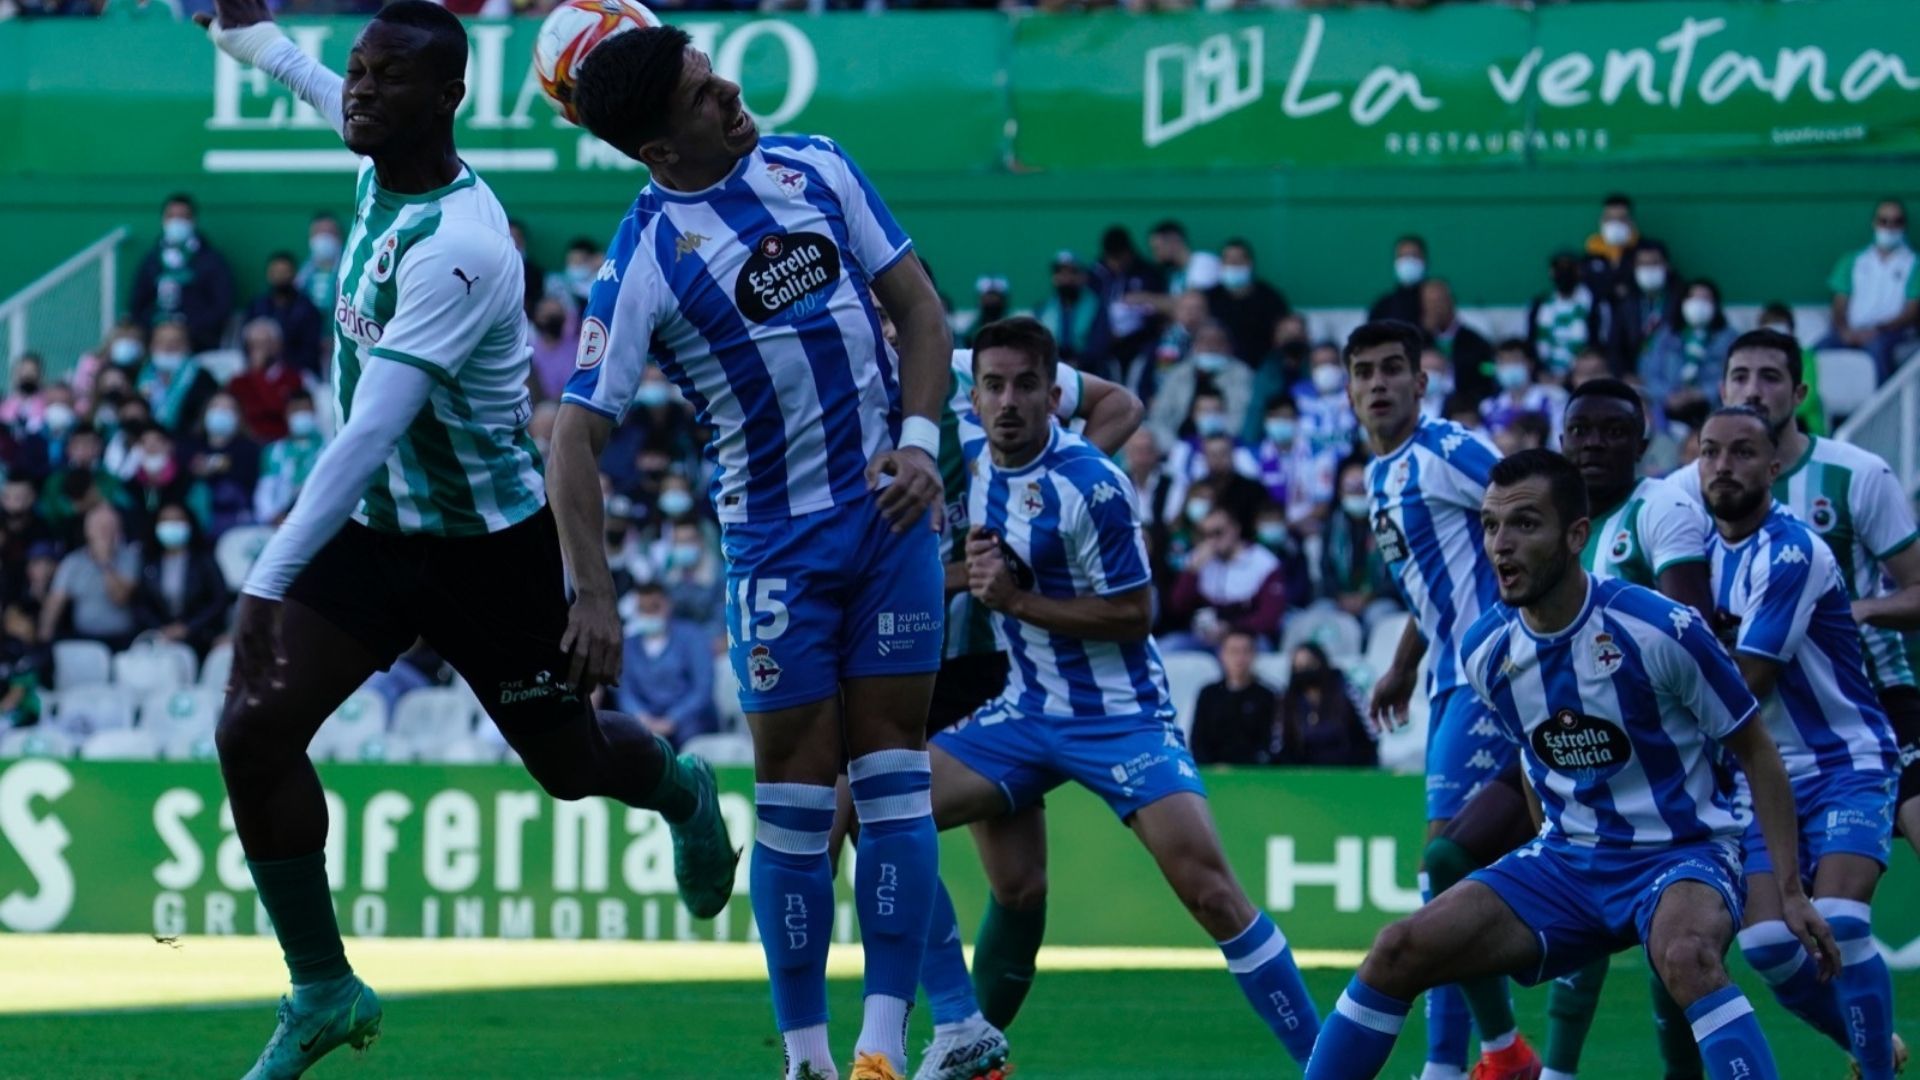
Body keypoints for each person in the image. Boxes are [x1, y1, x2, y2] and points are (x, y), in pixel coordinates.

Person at [192, 6, 737, 1077]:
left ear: (444, 101)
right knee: (252, 729)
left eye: (385, 80)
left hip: (486, 549)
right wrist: (245, 33)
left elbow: (372, 429)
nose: (358, 91)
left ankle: (682, 789)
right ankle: (322, 990)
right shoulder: (375, 161)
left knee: (574, 768)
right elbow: (305, 76)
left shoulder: (463, 245)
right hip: (376, 535)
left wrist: (263, 581)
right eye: (358, 72)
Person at [563, 28, 952, 1080]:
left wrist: (919, 445)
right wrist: (592, 596)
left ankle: (879, 1046)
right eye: (700, 96)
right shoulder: (644, 257)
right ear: (656, 147)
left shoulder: (818, 166)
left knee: (894, 774)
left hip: (892, 520)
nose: (730, 93)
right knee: (793, 789)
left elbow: (921, 310)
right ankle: (806, 1056)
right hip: (777, 549)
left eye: (715, 72)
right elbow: (572, 437)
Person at [1305, 448, 1826, 1080]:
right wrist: (1547, 848)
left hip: (1682, 853)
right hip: (1569, 863)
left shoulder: (1659, 628)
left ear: (1576, 534)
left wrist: (1792, 892)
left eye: (1526, 524)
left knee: (1687, 956)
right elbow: (1533, 756)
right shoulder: (1487, 652)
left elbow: (1757, 752)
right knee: (1396, 949)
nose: (1503, 544)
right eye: (1492, 525)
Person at [915, 321, 1322, 1077]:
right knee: (873, 811)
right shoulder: (968, 453)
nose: (1007, 402)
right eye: (993, 387)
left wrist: (1011, 598)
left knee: (1213, 896)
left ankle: (1329, 1065)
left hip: (1121, 718)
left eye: (1026, 386)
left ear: (1053, 394)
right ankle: (960, 1033)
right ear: (972, 398)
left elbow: (1135, 615)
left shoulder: (1095, 484)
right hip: (1024, 710)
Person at [1422, 378, 1717, 1080]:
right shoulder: (1544, 518)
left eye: (1612, 432)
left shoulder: (1663, 509)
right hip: (1555, 741)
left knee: (1669, 937)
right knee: (1445, 862)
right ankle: (1505, 1055)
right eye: (1580, 431)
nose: (1593, 444)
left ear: (1643, 444)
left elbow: (1692, 630)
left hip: (1649, 756)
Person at [1699, 405, 1902, 1079]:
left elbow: (1748, 680)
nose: (1724, 465)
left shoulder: (1792, 551)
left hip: (1848, 758)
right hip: (1768, 772)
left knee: (1840, 919)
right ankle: (1870, 1042)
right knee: (1763, 944)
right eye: (1710, 452)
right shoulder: (1697, 555)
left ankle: (1876, 1072)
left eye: (1742, 453)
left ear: (1774, 467)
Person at [1671, 330, 1920, 867]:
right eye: (1740, 376)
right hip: (1761, 711)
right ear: (1722, 386)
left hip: (1872, 697)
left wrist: (1859, 611)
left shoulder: (1857, 473)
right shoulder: (1689, 488)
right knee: (1776, 930)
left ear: (1800, 393)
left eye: (1770, 377)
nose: (1753, 390)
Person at [1346, 318, 1509, 1080]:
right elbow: (1432, 584)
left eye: (1391, 370)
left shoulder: (1449, 450)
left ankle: (1467, 1061)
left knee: (1446, 858)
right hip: (1446, 677)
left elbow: (1531, 507)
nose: (1377, 384)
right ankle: (1477, 1057)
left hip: (1495, 677)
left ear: (1421, 380)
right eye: (1363, 373)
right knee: (1455, 872)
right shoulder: (1381, 474)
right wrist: (1404, 664)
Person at [1163, 507, 1286, 650]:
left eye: (1218, 533)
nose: (1212, 541)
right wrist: (1191, 571)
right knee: (1167, 648)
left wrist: (1230, 628)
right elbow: (1178, 605)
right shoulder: (1200, 559)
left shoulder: (1263, 562)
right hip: (1206, 638)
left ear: (1235, 529)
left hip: (1247, 637)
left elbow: (1269, 617)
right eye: (1206, 535)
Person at [1821, 198, 1919, 376]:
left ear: (1904, 225)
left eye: (1896, 222)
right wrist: (1844, 331)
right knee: (1813, 353)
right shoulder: (1852, 260)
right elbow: (1839, 304)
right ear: (1874, 223)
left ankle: (1883, 404)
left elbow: (1912, 311)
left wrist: (1877, 331)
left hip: (1891, 334)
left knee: (1878, 349)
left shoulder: (1914, 263)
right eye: (1884, 221)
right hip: (1851, 330)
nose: (1889, 227)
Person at [130, 193, 236, 354]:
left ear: (193, 221)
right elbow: (137, 303)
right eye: (171, 216)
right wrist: (155, 323)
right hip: (154, 332)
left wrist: (188, 326)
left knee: (173, 338)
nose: (176, 222)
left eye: (183, 217)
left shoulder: (211, 260)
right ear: (163, 220)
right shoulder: (152, 260)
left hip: (197, 335)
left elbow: (222, 305)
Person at [614, 582, 715, 749]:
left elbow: (702, 689)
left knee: (691, 737)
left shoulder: (693, 637)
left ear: (668, 605)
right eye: (642, 609)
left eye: (655, 607)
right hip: (644, 720)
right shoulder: (628, 645)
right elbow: (625, 691)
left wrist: (673, 719)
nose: (648, 614)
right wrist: (642, 717)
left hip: (689, 721)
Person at [134, 502, 233, 658]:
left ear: (189, 524)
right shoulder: (149, 562)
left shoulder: (204, 561)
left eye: (177, 520)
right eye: (165, 521)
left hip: (202, 638)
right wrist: (161, 629)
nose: (171, 526)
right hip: (160, 638)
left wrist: (188, 628)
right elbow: (141, 603)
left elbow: (219, 600)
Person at [40, 502, 142, 651]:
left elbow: (120, 597)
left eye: (109, 526)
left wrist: (105, 563)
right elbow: (55, 603)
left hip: (123, 640)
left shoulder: (130, 557)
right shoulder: (72, 562)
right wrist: (44, 638)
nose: (104, 532)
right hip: (84, 639)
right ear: (88, 530)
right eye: (99, 526)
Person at [1641, 277, 1735, 430]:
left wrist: (1701, 393)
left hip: (1713, 413)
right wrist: (1669, 396)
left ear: (1715, 305)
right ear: (1683, 302)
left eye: (1706, 299)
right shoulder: (1665, 336)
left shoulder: (1728, 338)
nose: (1699, 304)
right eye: (1693, 298)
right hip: (1667, 416)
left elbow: (1732, 378)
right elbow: (1650, 374)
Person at [1146, 320, 1252, 443]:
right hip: (1177, 447)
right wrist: (1175, 449)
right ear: (1194, 346)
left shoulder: (1242, 375)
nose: (1211, 347)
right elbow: (1160, 417)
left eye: (1217, 342)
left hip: (1227, 447)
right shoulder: (1179, 374)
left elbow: (1241, 417)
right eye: (1205, 342)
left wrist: (1219, 446)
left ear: (1229, 347)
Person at [1274, 642, 1375, 766]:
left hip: (1347, 769)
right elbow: (1279, 744)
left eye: (1310, 663)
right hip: (1305, 773)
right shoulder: (1289, 700)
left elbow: (1370, 729)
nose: (1304, 669)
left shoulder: (1345, 689)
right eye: (1299, 666)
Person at [1188, 629, 1277, 765]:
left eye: (1246, 651)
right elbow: (1198, 740)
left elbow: (1268, 743)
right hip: (1213, 773)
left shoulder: (1267, 696)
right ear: (1222, 655)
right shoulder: (1208, 694)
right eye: (1234, 651)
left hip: (1253, 774)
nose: (1240, 658)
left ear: (1254, 655)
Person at [183, 392, 262, 538]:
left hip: (235, 526)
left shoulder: (250, 449)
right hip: (196, 526)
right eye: (216, 406)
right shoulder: (190, 446)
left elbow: (249, 481)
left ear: (238, 417)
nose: (221, 412)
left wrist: (215, 468)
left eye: (228, 409)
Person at [1204, 238, 1290, 368]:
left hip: (1261, 367)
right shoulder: (1210, 298)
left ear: (1250, 263)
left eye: (1238, 261)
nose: (1233, 264)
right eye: (1229, 261)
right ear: (1222, 264)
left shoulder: (1270, 298)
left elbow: (1283, 334)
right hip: (1216, 364)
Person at [242, 251, 325, 372]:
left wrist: (279, 355)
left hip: (296, 372)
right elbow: (245, 342)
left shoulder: (307, 309)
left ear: (294, 275)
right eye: (275, 272)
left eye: (284, 272)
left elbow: (310, 351)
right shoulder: (258, 305)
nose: (279, 277)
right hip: (258, 370)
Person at [1033, 250, 1111, 378]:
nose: (1066, 278)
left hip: (1090, 373)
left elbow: (1099, 346)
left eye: (1072, 272)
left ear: (1082, 276)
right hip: (1053, 372)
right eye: (1060, 273)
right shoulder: (1043, 309)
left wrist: (1076, 364)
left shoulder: (1096, 307)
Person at [1610, 239, 1681, 376]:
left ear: (1666, 265)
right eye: (1643, 264)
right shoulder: (1625, 304)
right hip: (1637, 379)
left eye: (1654, 263)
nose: (1649, 269)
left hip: (1674, 379)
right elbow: (1615, 348)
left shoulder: (1681, 299)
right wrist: (1625, 376)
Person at [228, 317, 306, 442]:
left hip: (281, 441)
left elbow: (279, 409)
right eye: (253, 344)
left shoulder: (294, 379)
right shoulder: (237, 382)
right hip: (246, 442)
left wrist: (257, 373)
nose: (258, 350)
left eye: (264, 344)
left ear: (277, 345)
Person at [1419, 278, 1494, 407]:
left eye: (1438, 302)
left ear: (1451, 302)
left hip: (1464, 408)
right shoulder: (1419, 341)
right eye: (1428, 303)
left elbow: (1488, 373)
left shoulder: (1476, 343)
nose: (1433, 308)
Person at [1528, 251, 1603, 378]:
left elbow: (1598, 345)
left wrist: (1570, 377)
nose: (1564, 273)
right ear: (1551, 273)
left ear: (1578, 272)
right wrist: (1541, 373)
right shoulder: (1539, 304)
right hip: (1545, 376)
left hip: (1582, 376)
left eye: (1569, 268)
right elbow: (1531, 342)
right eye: (1559, 269)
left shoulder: (1594, 304)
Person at [253, 390, 324, 524]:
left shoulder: (328, 448)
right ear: (286, 415)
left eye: (306, 409)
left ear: (314, 412)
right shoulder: (273, 451)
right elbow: (264, 493)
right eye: (295, 410)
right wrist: (274, 517)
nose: (301, 415)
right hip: (279, 521)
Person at [139, 319, 220, 435]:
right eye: (161, 342)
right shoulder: (140, 374)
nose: (167, 347)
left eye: (175, 342)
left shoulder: (202, 378)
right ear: (151, 346)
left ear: (187, 346)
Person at [1146, 219, 1221, 301]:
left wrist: (1147, 298)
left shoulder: (1204, 261)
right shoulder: (1175, 277)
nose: (1155, 256)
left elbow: (1193, 301)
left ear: (1173, 241)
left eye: (1157, 249)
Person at [527, 293, 579, 402]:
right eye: (548, 316)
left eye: (556, 314)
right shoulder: (530, 351)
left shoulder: (575, 345)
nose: (552, 320)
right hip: (541, 408)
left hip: (570, 403)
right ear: (538, 318)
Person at [296, 211, 344, 328]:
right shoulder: (301, 277)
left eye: (329, 233)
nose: (324, 238)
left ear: (339, 238)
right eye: (319, 232)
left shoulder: (349, 273)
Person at [1368, 234, 1427, 325]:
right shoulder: (1382, 307)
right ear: (1395, 262)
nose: (1409, 261)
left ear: (1424, 260)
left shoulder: (1435, 303)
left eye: (1414, 255)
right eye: (1403, 256)